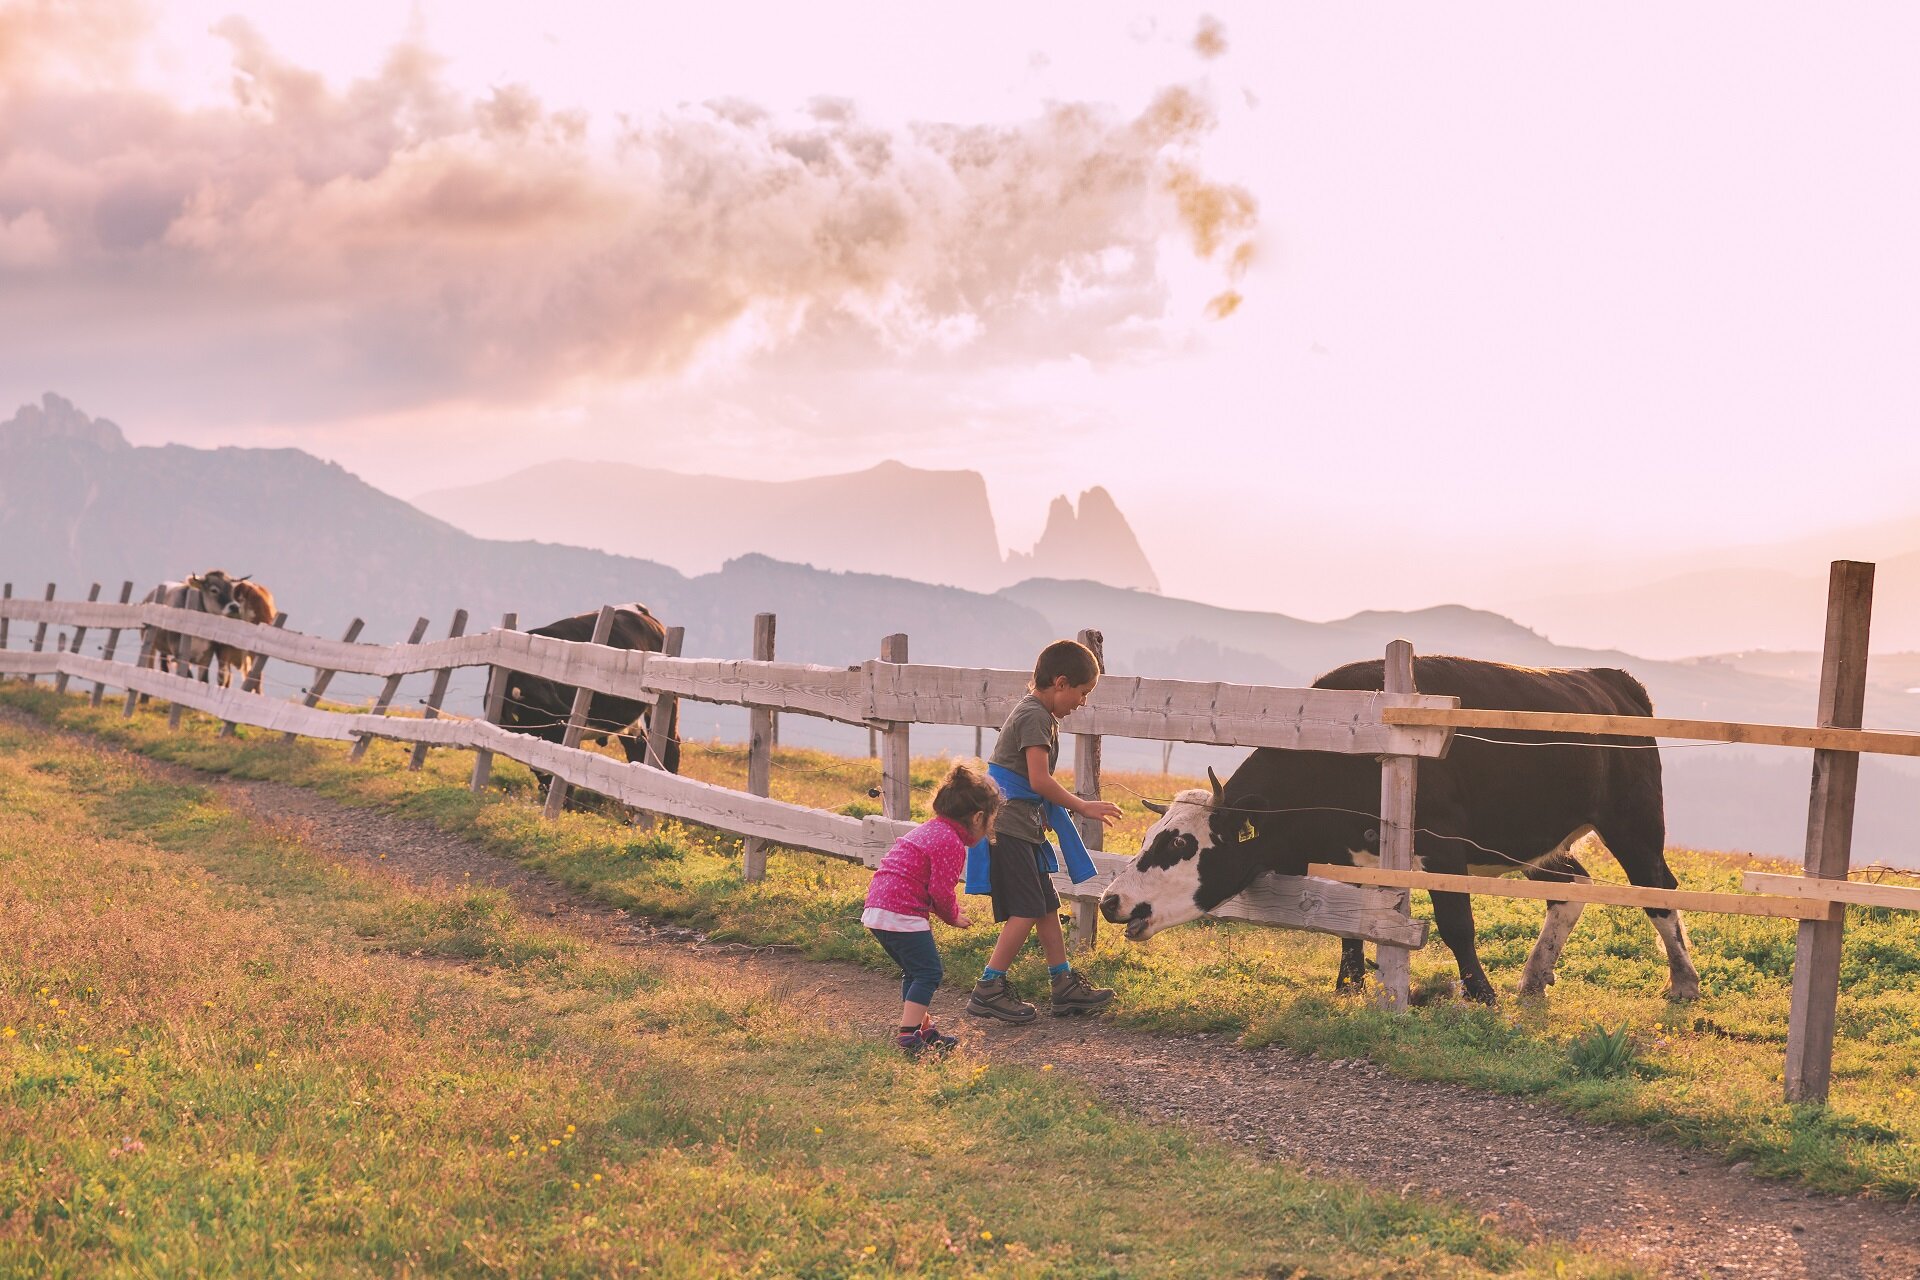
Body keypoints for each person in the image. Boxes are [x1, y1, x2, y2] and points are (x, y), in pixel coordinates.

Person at [965, 638, 1122, 1022]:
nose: (1082, 702)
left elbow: (1026, 779)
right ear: (1061, 682)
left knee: (1046, 906)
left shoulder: (1039, 714)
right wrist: (1082, 806)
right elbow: (1038, 780)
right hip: (1009, 828)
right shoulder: (1035, 716)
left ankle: (1063, 984)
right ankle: (988, 988)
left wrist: (1042, 810)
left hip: (1022, 825)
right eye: (1083, 692)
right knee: (1027, 909)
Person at [862, 763, 1002, 1055]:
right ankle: (908, 1035)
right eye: (991, 821)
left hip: (878, 907)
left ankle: (922, 1029)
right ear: (977, 817)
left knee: (914, 972)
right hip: (901, 910)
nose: (990, 828)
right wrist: (953, 917)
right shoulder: (951, 842)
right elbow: (940, 891)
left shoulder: (931, 829)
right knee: (928, 973)